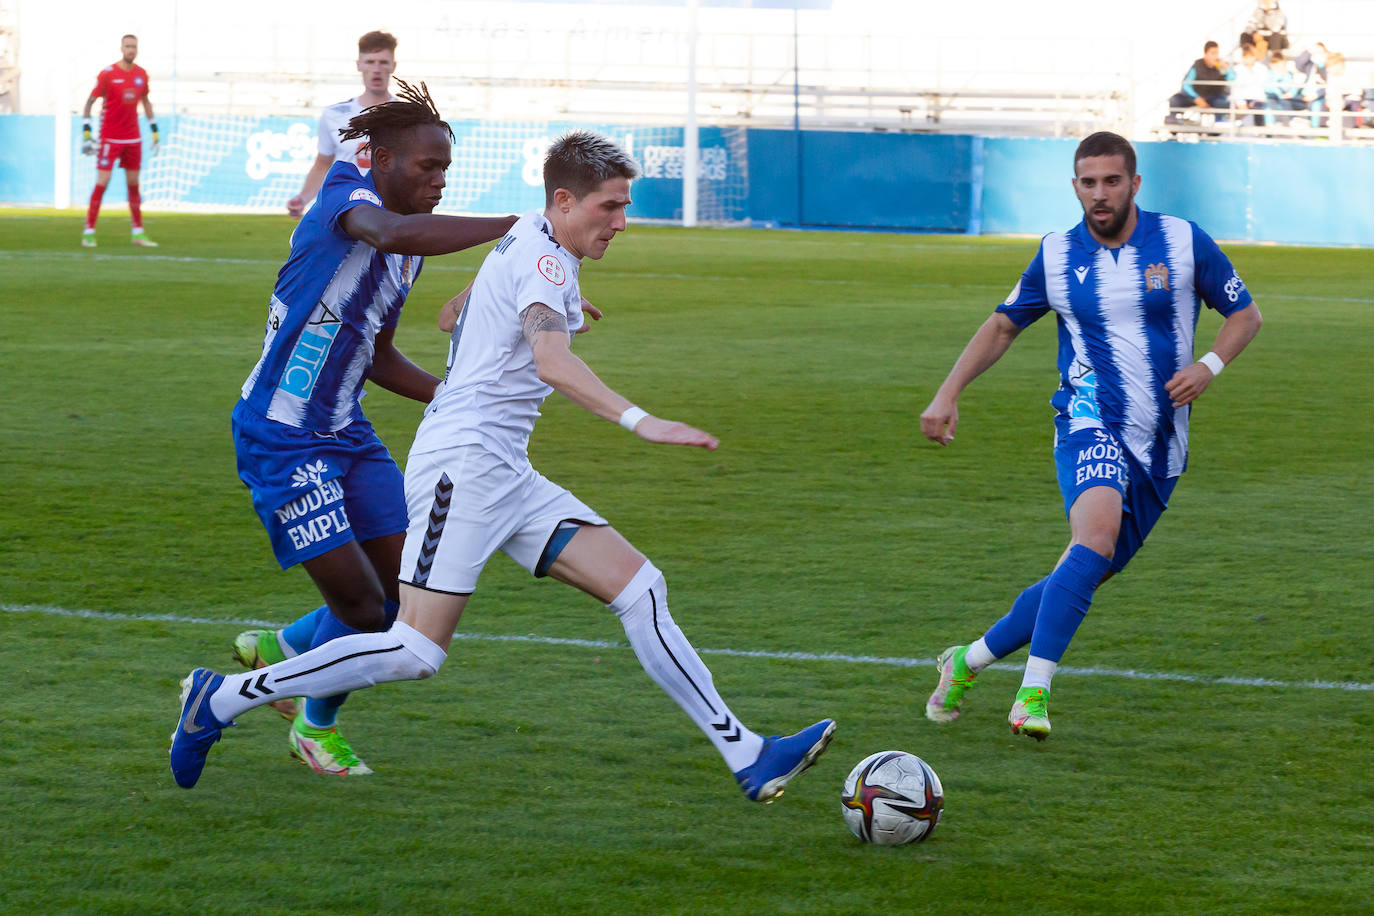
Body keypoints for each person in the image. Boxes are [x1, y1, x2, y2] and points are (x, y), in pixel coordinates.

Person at [171, 130, 836, 800]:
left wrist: (537, 310)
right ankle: (224, 696)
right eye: (609, 207)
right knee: (415, 650)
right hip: (462, 465)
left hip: (502, 468)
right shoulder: (544, 259)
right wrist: (640, 420)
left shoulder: (533, 248)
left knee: (642, 589)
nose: (621, 222)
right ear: (564, 201)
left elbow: (451, 314)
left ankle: (748, 753)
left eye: (624, 207)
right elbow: (551, 361)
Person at [205, 80, 517, 777]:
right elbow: (391, 231)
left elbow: (376, 352)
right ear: (377, 159)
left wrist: (451, 399)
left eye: (444, 171)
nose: (437, 181)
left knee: (404, 599)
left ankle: (301, 691)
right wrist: (510, 226)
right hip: (281, 437)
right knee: (361, 604)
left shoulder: (408, 245)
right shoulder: (352, 201)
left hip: (348, 434)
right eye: (425, 168)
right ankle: (307, 712)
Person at [919, 131, 1262, 741]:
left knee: (1080, 571)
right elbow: (1003, 327)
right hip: (1087, 417)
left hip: (1161, 444)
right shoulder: (1056, 254)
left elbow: (1245, 314)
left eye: (1110, 181)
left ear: (1134, 183)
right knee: (1096, 538)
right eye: (1087, 182)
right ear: (1075, 186)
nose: (1098, 194)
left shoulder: (1182, 240)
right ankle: (1033, 691)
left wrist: (1208, 367)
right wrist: (948, 392)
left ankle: (964, 661)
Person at [286, 30, 398, 219]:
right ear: (359, 65)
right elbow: (323, 164)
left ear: (393, 66)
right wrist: (303, 198)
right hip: (346, 209)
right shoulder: (334, 115)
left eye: (383, 62)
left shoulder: (407, 115)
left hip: (392, 210)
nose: (376, 69)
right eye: (370, 62)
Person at [80, 34, 158, 248]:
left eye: (134, 46)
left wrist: (154, 129)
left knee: (133, 184)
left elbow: (146, 101)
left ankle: (138, 233)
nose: (131, 50)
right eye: (128, 46)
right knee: (102, 183)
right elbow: (90, 101)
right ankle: (89, 232)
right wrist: (86, 130)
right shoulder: (108, 74)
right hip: (110, 138)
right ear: (121, 48)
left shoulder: (142, 75)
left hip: (133, 138)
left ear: (137, 49)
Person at [1166, 41, 1235, 122]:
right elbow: (1186, 85)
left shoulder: (1221, 66)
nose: (1215, 56)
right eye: (1212, 53)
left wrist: (1227, 68)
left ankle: (1219, 122)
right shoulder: (1197, 65)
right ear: (1205, 54)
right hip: (1196, 96)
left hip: (1213, 97)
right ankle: (1173, 120)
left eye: (1217, 53)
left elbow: (1233, 79)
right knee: (1175, 100)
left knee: (1222, 103)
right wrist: (1196, 98)